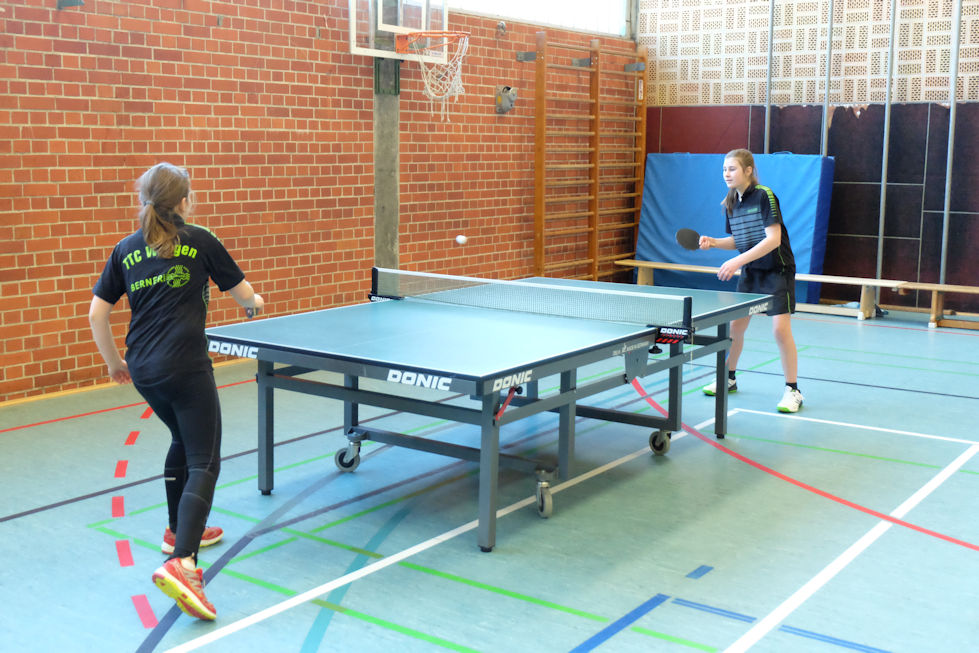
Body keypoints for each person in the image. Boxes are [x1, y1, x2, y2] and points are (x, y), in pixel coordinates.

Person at [89, 162, 264, 620]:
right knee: (205, 460)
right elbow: (244, 294)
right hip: (186, 367)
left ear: (144, 200)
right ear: (185, 201)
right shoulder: (200, 240)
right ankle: (183, 562)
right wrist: (254, 304)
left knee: (182, 441)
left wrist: (115, 363)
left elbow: (96, 314)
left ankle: (175, 530)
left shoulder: (125, 249)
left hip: (145, 371)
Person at [697, 149, 803, 413]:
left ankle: (793, 390)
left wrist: (737, 262)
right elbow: (739, 240)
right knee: (735, 327)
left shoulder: (764, 196)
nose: (726, 174)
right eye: (724, 169)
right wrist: (714, 242)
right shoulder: (731, 202)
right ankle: (728, 378)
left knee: (779, 330)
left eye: (732, 169)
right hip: (752, 272)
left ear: (748, 170)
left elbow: (773, 239)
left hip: (777, 270)